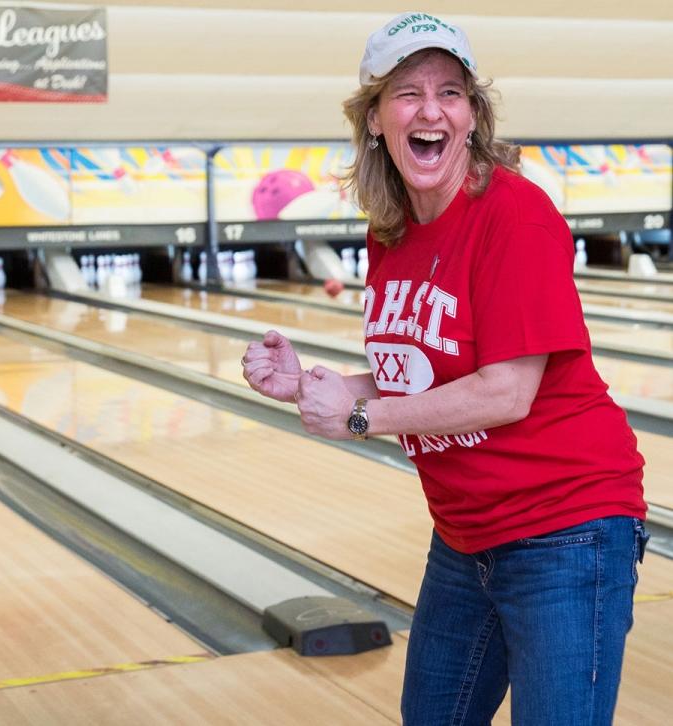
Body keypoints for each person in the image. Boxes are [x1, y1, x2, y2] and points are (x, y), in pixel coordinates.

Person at [241, 11, 649, 726]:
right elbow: (420, 372)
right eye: (408, 93)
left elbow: (506, 391)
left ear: (472, 116)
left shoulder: (515, 215)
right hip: (466, 538)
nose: (431, 110)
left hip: (567, 529)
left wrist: (358, 416)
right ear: (375, 119)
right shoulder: (392, 227)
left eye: (450, 92)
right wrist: (309, 383)